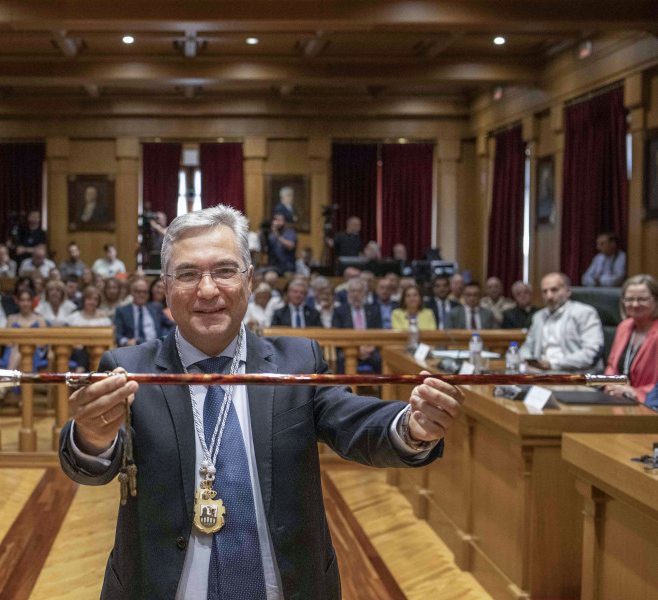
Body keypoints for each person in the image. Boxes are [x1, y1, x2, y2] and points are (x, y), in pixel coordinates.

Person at [58, 205, 463, 599]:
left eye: (224, 270)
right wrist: (92, 437)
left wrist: (410, 426)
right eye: (187, 274)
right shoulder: (128, 369)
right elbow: (93, 467)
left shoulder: (297, 361)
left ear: (249, 280)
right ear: (165, 287)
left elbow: (353, 421)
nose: (208, 289)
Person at [519, 272, 604, 371]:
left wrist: (552, 364)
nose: (549, 296)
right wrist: (526, 358)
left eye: (554, 290)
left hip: (574, 375)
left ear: (568, 291)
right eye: (545, 292)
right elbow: (527, 346)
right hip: (542, 374)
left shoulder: (585, 313)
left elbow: (590, 354)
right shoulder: (538, 317)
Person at [603, 274, 658, 403]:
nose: (635, 304)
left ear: (655, 300)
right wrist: (611, 385)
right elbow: (612, 366)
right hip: (618, 399)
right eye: (629, 299)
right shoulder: (624, 327)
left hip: (650, 406)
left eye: (642, 299)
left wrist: (634, 393)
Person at [332, 277, 384, 372]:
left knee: (380, 359)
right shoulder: (339, 311)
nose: (356, 294)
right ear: (348, 293)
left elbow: (379, 332)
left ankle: (381, 387)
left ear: (365, 293)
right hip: (347, 350)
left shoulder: (374, 310)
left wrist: (371, 348)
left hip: (370, 350)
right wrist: (356, 349)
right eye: (353, 291)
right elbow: (337, 334)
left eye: (359, 291)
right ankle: (342, 387)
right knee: (340, 359)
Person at [114, 279, 175, 346]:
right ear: (132, 292)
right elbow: (117, 334)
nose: (141, 294)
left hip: (155, 347)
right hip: (133, 348)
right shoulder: (122, 311)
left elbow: (172, 325)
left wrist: (166, 338)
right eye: (138, 291)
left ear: (148, 293)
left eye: (144, 292)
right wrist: (126, 341)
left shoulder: (155, 308)